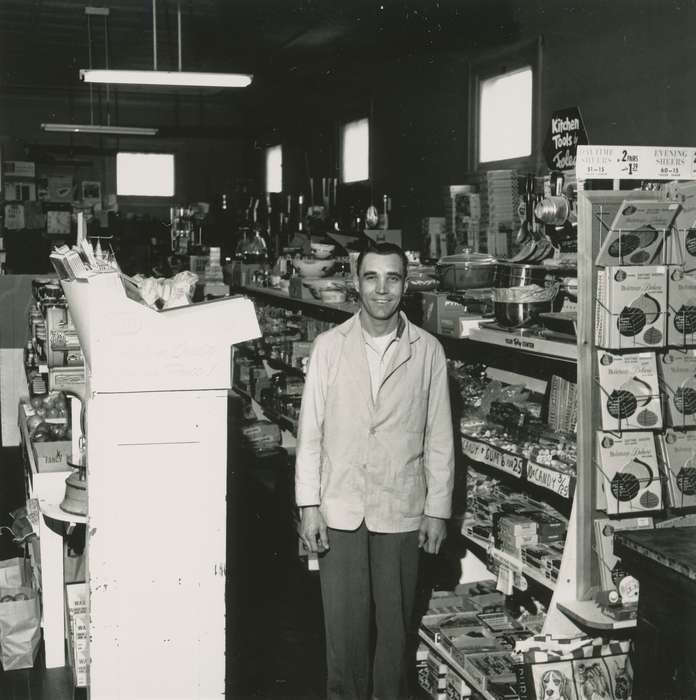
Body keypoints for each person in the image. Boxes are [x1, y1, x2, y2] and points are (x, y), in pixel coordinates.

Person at [295, 242, 455, 700]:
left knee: (396, 631)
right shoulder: (329, 347)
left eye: (392, 278)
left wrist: (437, 510)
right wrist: (309, 506)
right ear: (355, 281)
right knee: (343, 631)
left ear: (406, 285)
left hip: (400, 506)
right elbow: (309, 434)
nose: (381, 289)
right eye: (371, 277)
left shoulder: (428, 351)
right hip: (340, 504)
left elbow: (439, 437)